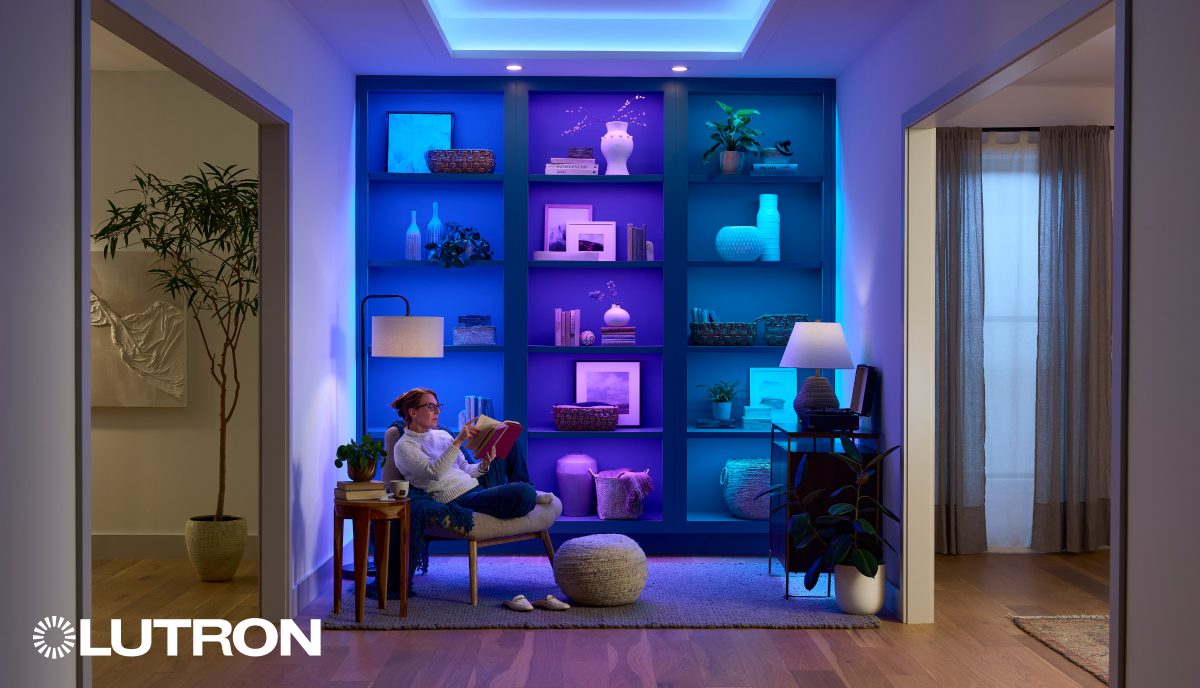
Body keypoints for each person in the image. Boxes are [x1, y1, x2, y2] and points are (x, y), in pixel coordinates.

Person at [389, 388, 538, 520]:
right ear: (413, 412)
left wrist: (483, 466)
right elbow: (435, 472)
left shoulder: (442, 434)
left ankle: (526, 489)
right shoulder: (404, 447)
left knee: (506, 439)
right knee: (524, 493)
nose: (437, 411)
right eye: (431, 407)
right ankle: (526, 493)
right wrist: (459, 440)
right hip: (457, 499)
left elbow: (466, 468)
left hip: (476, 486)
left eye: (438, 406)